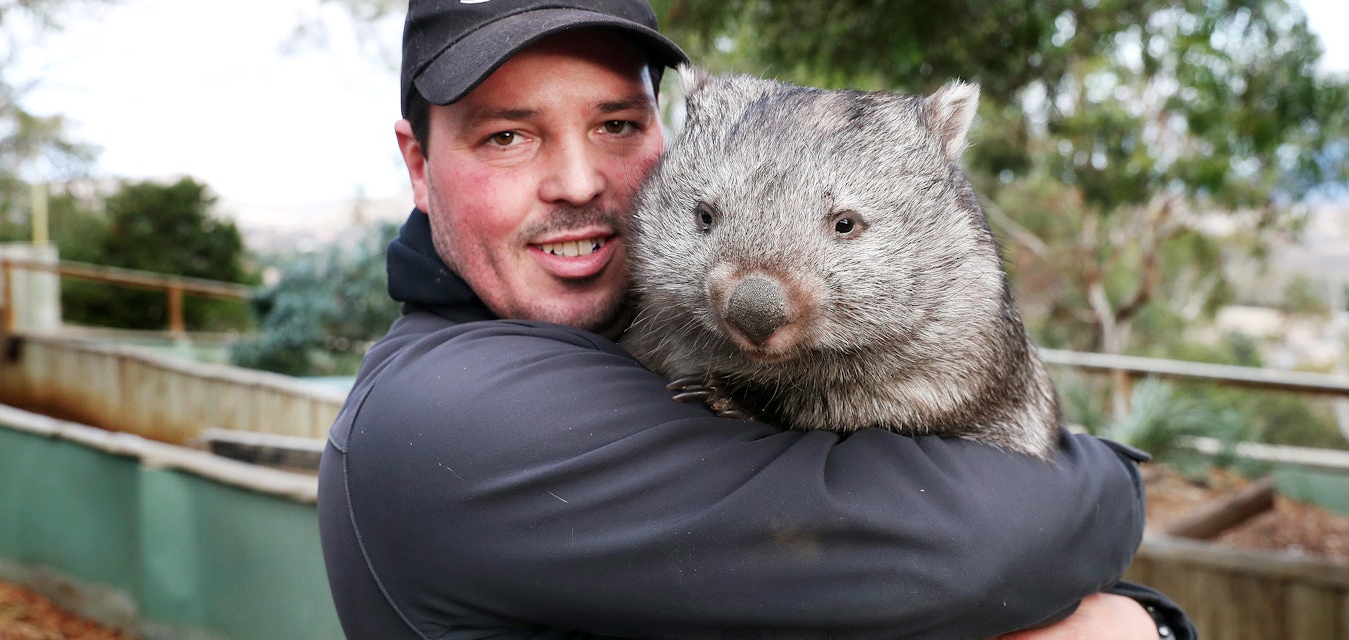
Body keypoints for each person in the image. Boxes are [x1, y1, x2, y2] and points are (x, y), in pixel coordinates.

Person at [317, 1, 1195, 638]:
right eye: (506, 135)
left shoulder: (611, 329)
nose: (579, 183)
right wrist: (1111, 495)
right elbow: (967, 547)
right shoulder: (448, 414)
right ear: (419, 164)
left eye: (618, 124)